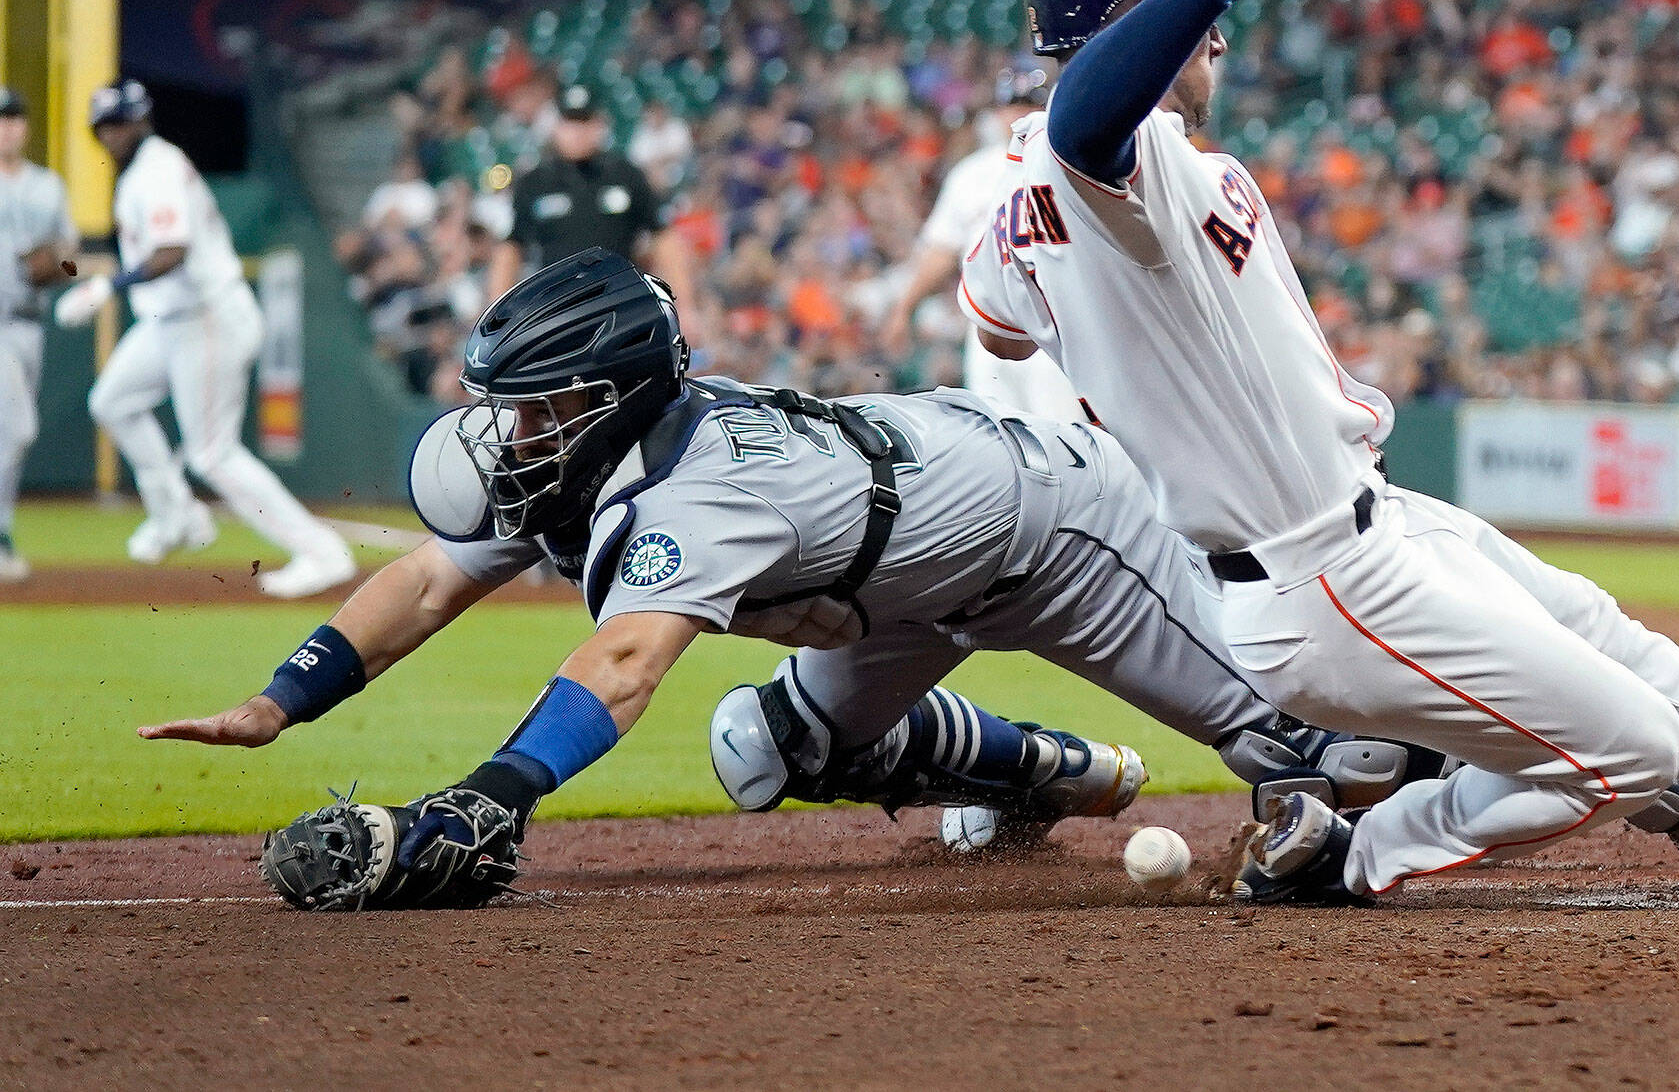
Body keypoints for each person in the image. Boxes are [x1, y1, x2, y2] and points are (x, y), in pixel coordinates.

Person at [959, 0, 1679, 906]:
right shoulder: (1106, 161)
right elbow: (1084, 120)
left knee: (1591, 625)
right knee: (1635, 748)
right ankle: (1350, 856)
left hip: (1367, 519)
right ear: (1134, 25)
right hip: (1314, 577)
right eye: (1192, 11)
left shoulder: (1016, 205)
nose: (1219, 36)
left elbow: (999, 318)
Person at [139, 248, 1438, 909]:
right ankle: (1051, 771)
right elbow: (424, 581)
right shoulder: (576, 465)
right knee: (772, 749)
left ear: (608, 400)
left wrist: (491, 801)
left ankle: (1525, 732)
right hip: (901, 582)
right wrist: (282, 699)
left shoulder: (699, 489)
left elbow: (624, 661)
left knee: (1332, 754)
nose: (512, 432)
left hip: (1050, 532)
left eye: (539, 409)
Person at [53, 80, 357, 600]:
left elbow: (172, 249)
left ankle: (322, 553)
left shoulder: (159, 167)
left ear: (141, 120)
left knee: (212, 454)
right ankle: (176, 514)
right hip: (170, 321)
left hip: (207, 316)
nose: (111, 134)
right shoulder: (140, 172)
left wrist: (108, 284)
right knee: (113, 401)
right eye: (104, 125)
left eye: (120, 122)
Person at [880, 67, 1081, 419]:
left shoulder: (1069, 165)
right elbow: (942, 249)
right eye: (1012, 104)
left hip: (1054, 325)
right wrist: (904, 307)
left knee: (1063, 433)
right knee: (998, 435)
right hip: (987, 327)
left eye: (1030, 104)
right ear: (998, 112)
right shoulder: (970, 174)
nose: (1020, 113)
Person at [487, 84, 673, 302]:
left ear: (599, 124)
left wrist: (684, 303)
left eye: (584, 121)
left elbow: (664, 237)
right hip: (558, 306)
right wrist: (496, 310)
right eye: (570, 122)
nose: (577, 132)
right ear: (557, 126)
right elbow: (511, 248)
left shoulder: (625, 174)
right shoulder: (535, 182)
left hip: (622, 300)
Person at [0, 87, 77, 581]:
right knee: (18, 428)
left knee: (12, 435)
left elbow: (70, 260)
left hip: (29, 324)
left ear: (25, 126)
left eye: (13, 118)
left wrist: (54, 266)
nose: (7, 127)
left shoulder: (48, 186)